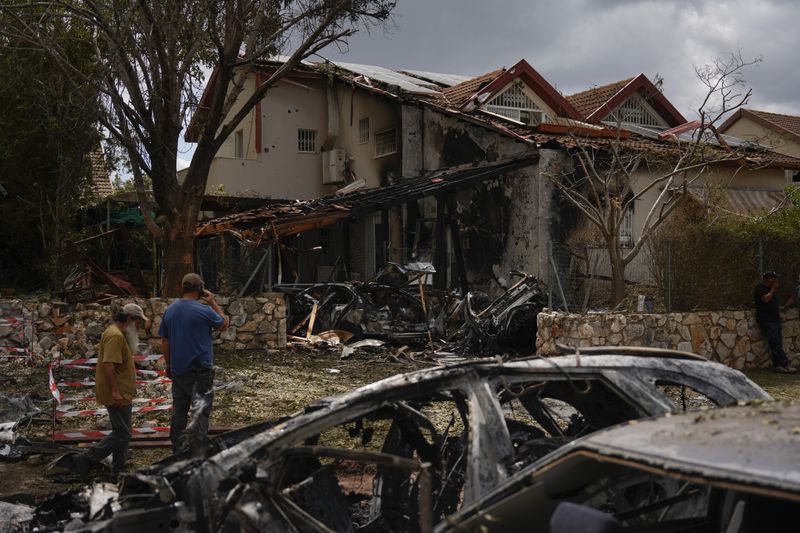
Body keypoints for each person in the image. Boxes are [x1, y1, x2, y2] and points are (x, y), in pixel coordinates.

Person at [71, 303, 148, 478]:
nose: (139, 327)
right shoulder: (115, 336)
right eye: (138, 322)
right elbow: (108, 364)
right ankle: (87, 458)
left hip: (122, 391)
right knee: (123, 433)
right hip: (117, 392)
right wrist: (115, 391)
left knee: (122, 431)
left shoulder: (118, 333)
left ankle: (118, 469)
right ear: (129, 319)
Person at [158, 273, 229, 453]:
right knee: (200, 412)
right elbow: (223, 325)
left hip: (179, 371)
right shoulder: (203, 310)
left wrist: (169, 365)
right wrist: (213, 302)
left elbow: (165, 341)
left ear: (182, 287)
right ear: (200, 289)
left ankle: (178, 449)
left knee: (179, 412)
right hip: (200, 372)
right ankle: (196, 451)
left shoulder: (170, 310)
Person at [754, 271, 794, 373]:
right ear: (768, 279)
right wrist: (773, 289)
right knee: (774, 342)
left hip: (775, 320)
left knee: (778, 342)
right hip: (766, 320)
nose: (776, 280)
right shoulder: (760, 288)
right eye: (774, 278)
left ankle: (777, 365)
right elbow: (766, 299)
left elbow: (773, 304)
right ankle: (785, 364)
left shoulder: (772, 290)